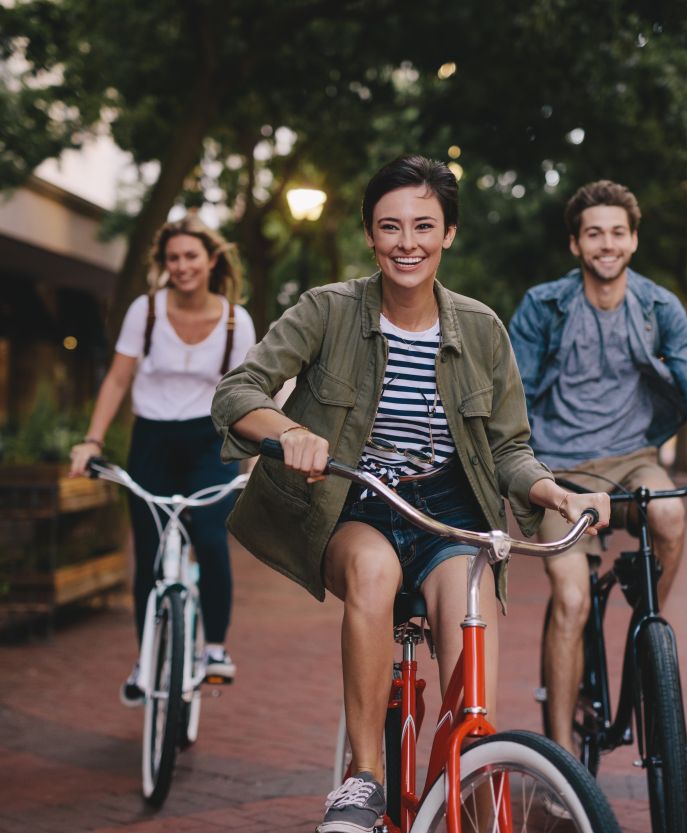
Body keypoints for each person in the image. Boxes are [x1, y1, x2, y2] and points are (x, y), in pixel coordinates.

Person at [211, 156, 610, 833]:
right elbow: (236, 393)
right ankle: (363, 778)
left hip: (450, 511)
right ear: (370, 234)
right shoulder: (328, 309)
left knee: (466, 643)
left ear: (449, 233)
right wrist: (289, 431)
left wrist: (553, 490)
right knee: (374, 569)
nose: (407, 242)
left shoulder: (481, 328)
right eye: (390, 226)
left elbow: (511, 446)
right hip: (356, 502)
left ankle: (472, 780)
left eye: (424, 225)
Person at [508, 179, 687, 759]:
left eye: (618, 233)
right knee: (573, 601)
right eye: (594, 233)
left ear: (633, 240)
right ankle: (560, 761)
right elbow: (516, 397)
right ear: (576, 245)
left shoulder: (657, 307)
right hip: (560, 470)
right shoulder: (543, 306)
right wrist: (520, 470)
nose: (607, 244)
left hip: (634, 459)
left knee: (673, 515)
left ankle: (642, 631)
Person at [69, 214, 256, 702]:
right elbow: (117, 379)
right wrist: (92, 440)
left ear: (211, 260)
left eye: (191, 255)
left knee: (211, 538)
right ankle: (146, 657)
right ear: (164, 264)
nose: (182, 266)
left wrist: (256, 458)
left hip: (210, 440)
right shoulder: (145, 311)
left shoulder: (236, 319)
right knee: (149, 555)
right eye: (172, 258)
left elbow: (253, 392)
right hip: (151, 440)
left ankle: (214, 647)